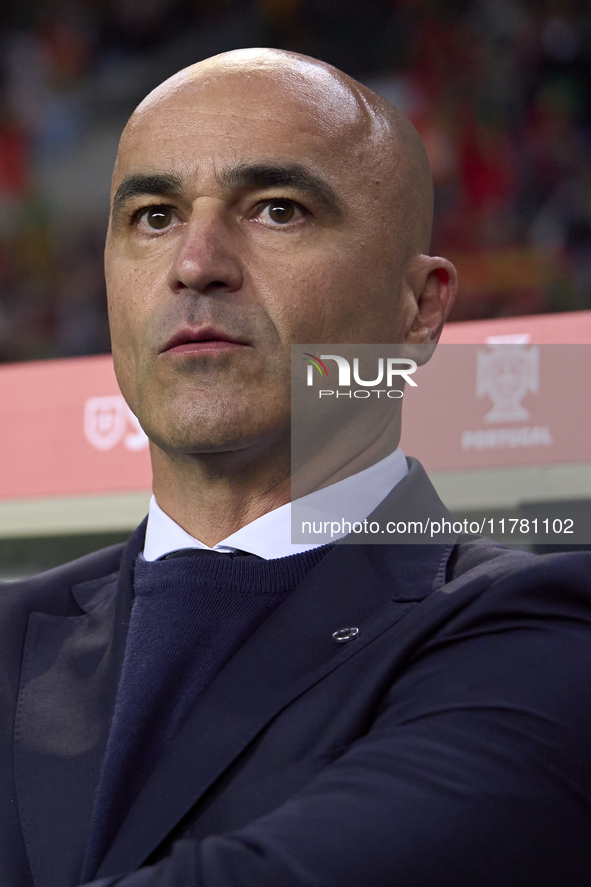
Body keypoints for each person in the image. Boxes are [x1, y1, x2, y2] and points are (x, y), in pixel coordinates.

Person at [2, 48, 591, 887]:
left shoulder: (539, 635)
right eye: (154, 217)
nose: (195, 263)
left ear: (418, 310)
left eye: (278, 210)